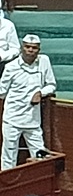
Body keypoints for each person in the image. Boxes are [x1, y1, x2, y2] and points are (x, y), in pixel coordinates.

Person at [0, 35, 56, 170]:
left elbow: (52, 85)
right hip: (12, 119)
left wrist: (40, 93)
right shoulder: (10, 67)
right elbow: (1, 91)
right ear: (21, 48)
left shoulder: (44, 62)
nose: (30, 50)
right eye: (27, 47)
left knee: (40, 154)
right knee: (9, 156)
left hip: (33, 120)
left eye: (34, 48)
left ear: (39, 50)